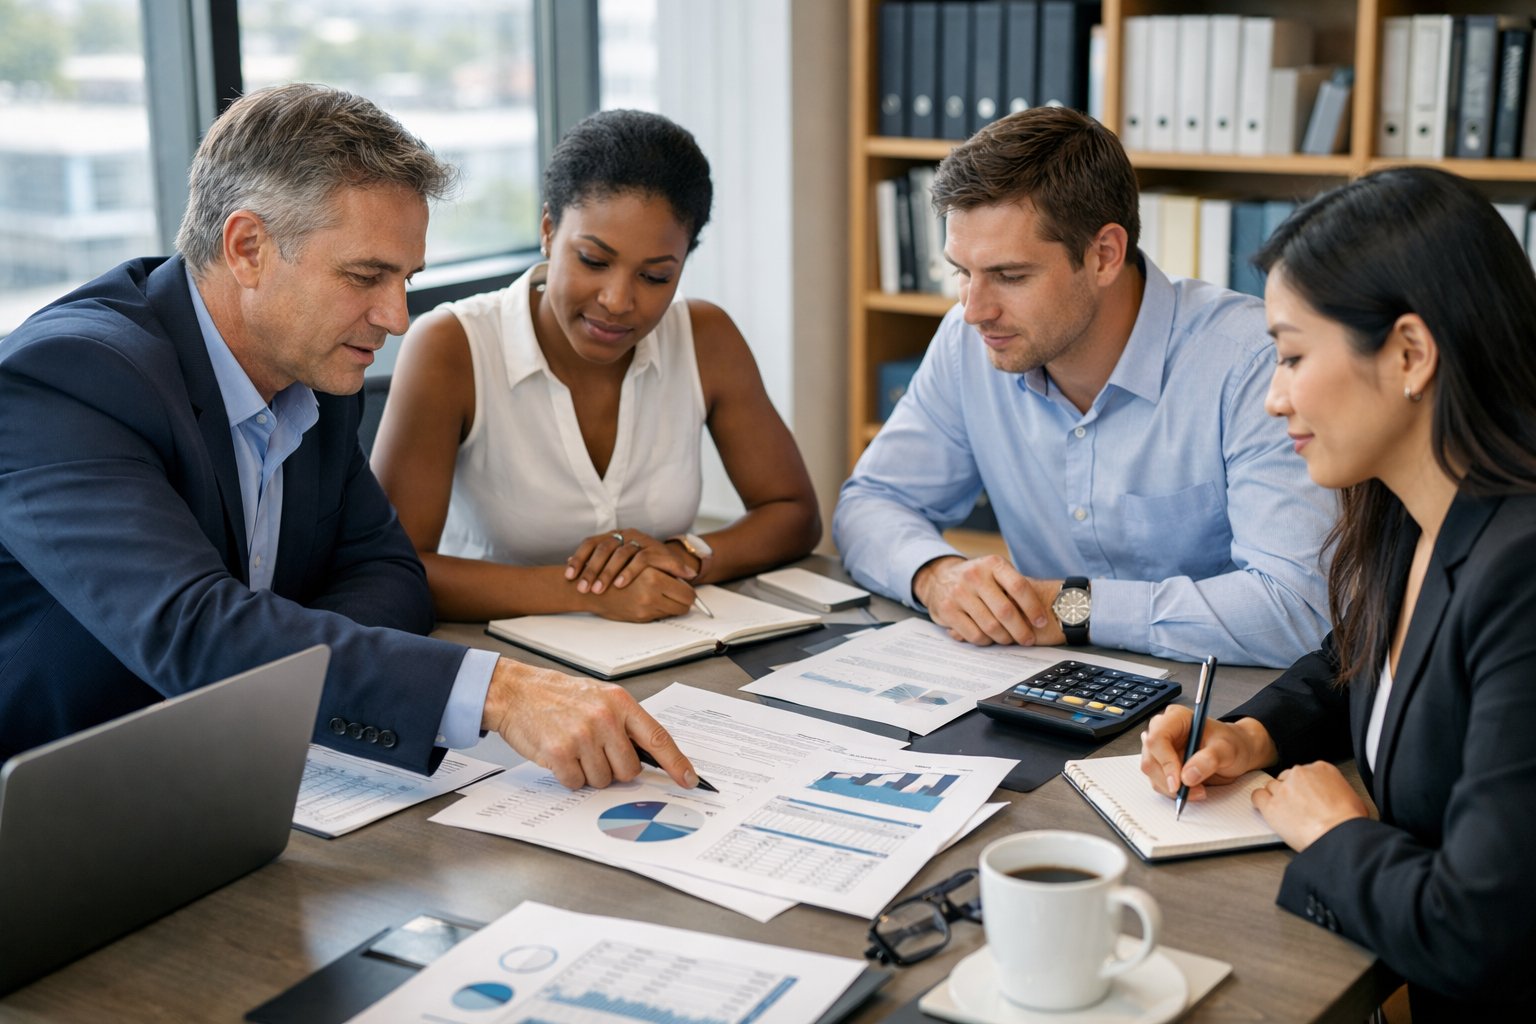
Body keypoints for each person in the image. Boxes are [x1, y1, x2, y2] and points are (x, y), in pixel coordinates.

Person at [0, 84, 700, 792]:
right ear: (247, 248)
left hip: (241, 785)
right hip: (64, 804)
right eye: (366, 277)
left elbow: (389, 573)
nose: (396, 317)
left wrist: (285, 672)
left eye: (405, 279)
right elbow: (193, 628)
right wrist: (500, 692)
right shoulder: (68, 379)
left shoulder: (311, 369)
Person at [1139, 166, 1536, 1020]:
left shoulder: (1525, 571)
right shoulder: (1413, 513)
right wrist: (1251, 732)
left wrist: (1336, 834)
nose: (1276, 397)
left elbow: (1477, 932)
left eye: (1290, 355)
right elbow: (1367, 658)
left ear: (1409, 354)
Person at [833, 106, 1334, 668]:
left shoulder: (1252, 365)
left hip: (1223, 708)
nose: (974, 309)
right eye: (961, 272)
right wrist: (935, 574)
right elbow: (870, 503)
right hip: (1046, 686)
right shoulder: (967, 341)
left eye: (1010, 276)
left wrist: (1071, 607)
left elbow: (1299, 609)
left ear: (1104, 255)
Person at [371, 109, 820, 623]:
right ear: (548, 231)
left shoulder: (706, 338)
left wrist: (682, 555)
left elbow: (794, 514)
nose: (617, 300)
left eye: (655, 277)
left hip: (661, 650)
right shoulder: (452, 345)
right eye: (593, 260)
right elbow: (396, 571)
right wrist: (589, 591)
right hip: (496, 660)